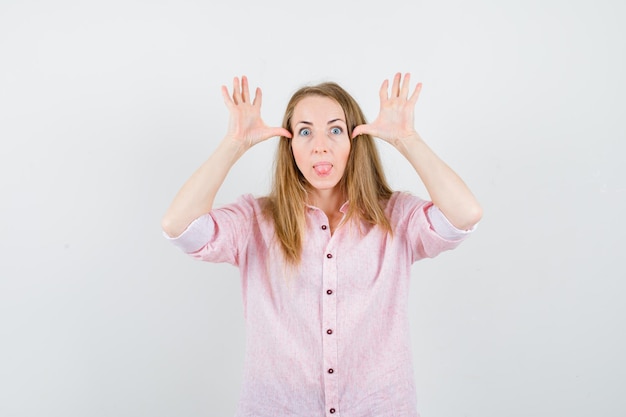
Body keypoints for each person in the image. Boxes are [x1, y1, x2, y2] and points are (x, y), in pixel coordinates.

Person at [161, 72, 482, 417]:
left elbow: (465, 214)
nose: (320, 145)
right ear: (290, 146)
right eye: (304, 131)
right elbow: (179, 226)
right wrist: (234, 144)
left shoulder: (396, 217)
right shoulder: (255, 219)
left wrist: (407, 139)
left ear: (353, 142)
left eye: (335, 129)